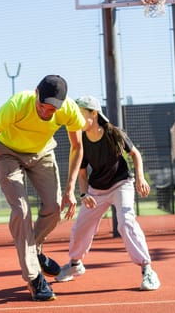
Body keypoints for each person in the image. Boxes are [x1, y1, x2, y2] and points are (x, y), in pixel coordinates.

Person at [0, 75, 86, 301]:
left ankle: (34, 249)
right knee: (21, 211)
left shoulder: (68, 109)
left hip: (42, 154)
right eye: (43, 106)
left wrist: (70, 188)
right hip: (7, 153)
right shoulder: (17, 104)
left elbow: (78, 146)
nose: (46, 113)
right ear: (36, 94)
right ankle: (33, 277)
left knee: (54, 207)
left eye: (52, 110)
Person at [54, 95, 161, 291]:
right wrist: (84, 195)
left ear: (93, 114)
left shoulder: (113, 133)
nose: (75, 119)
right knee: (81, 227)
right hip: (96, 190)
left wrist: (141, 177)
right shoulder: (81, 141)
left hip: (121, 184)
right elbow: (83, 172)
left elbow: (135, 154)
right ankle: (75, 265)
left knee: (126, 221)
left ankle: (147, 269)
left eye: (80, 114)